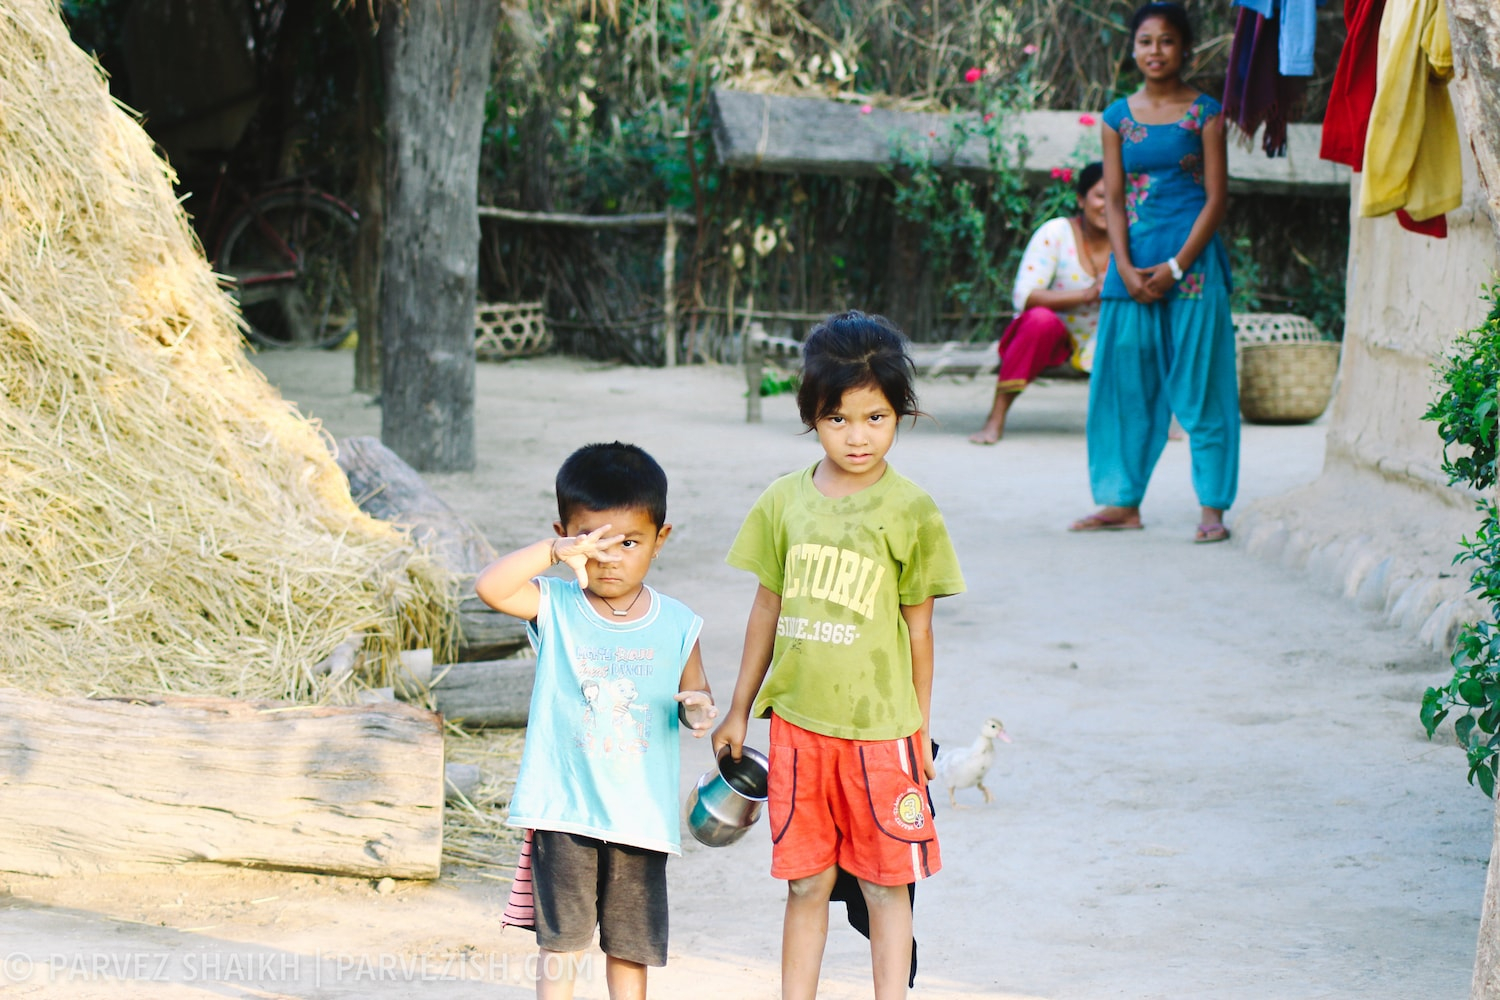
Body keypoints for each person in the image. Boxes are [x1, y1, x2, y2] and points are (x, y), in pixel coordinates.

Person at [711, 311, 966, 1000]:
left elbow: (920, 630)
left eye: (876, 418)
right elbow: (766, 607)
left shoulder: (913, 511)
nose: (857, 437)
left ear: (900, 414)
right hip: (796, 728)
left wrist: (918, 729)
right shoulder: (783, 503)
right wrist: (739, 709)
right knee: (806, 882)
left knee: (888, 886)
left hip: (884, 734)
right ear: (810, 415)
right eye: (837, 419)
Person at [475, 442, 717, 1000]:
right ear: (565, 533)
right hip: (565, 810)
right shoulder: (556, 605)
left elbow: (695, 692)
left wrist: (699, 709)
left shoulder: (678, 623)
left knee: (631, 949)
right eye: (593, 542)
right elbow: (491, 586)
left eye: (628, 542)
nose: (610, 558)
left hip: (640, 818)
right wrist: (556, 554)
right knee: (561, 947)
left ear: (661, 539)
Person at [1070, 1, 1238, 543]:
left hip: (1192, 266)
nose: (1155, 51)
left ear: (1184, 48)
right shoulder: (1117, 117)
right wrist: (1123, 265)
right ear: (1133, 49)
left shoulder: (1206, 113)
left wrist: (1176, 265)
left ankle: (1212, 506)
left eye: (1166, 41)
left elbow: (1217, 199)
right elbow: (1113, 201)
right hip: (1132, 267)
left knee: (1203, 385)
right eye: (1146, 41)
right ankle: (1121, 502)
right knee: (1122, 386)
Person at [970, 161, 1111, 445]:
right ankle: (995, 419)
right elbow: (1026, 297)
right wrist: (1088, 294)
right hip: (1057, 341)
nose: (1109, 205)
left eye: (1118, 197)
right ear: (1081, 199)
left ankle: (1155, 421)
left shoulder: (1134, 239)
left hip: (1108, 339)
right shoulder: (1056, 233)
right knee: (1038, 320)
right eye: (1100, 196)